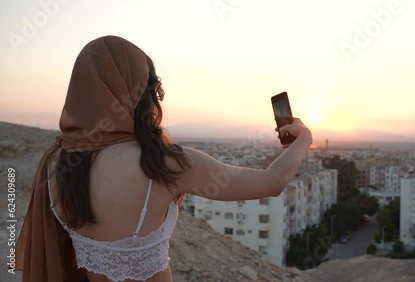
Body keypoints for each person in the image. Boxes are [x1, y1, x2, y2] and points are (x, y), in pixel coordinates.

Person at [15, 35, 312, 282]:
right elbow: (270, 182)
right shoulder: (162, 164)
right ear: (141, 94)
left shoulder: (56, 164)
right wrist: (303, 140)